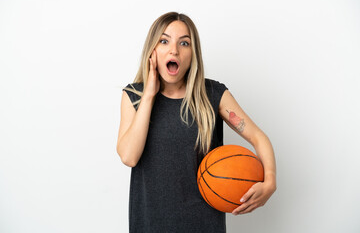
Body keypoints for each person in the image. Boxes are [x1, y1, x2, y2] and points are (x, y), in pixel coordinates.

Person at [116, 12, 276, 233]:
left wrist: (270, 182)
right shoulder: (134, 95)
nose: (174, 50)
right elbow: (129, 156)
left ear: (193, 53)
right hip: (150, 225)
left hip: (203, 225)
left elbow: (258, 137)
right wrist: (150, 95)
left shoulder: (213, 95)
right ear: (152, 51)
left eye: (184, 43)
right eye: (164, 41)